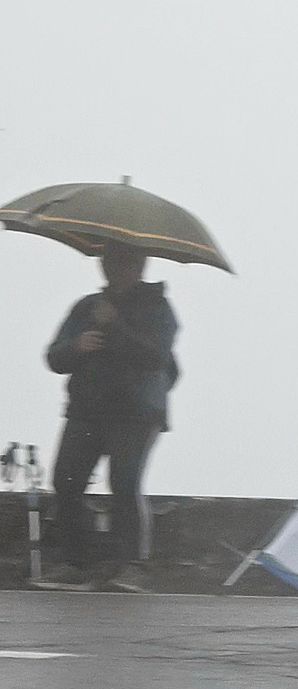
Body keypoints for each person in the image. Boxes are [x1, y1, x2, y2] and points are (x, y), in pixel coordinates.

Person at [34, 244, 178, 591]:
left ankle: (133, 566)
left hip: (137, 412)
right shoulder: (86, 308)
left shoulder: (158, 308)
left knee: (125, 482)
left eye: (126, 262)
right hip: (86, 410)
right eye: (111, 261)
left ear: (141, 265)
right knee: (66, 482)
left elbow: (156, 357)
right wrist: (77, 346)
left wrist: (116, 326)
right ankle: (74, 562)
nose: (116, 269)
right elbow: (54, 357)